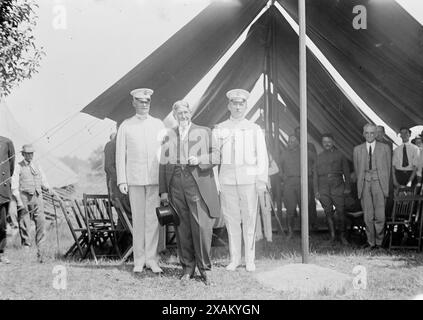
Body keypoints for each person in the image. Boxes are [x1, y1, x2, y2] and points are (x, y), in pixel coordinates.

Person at [159, 100, 220, 285]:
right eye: (179, 114)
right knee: (182, 227)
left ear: (190, 112)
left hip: (196, 183)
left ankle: (205, 269)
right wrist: (163, 191)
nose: (183, 116)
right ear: (174, 115)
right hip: (175, 183)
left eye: (186, 112)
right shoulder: (168, 135)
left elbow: (217, 155)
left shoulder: (205, 132)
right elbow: (162, 164)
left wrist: (200, 159)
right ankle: (187, 268)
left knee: (201, 226)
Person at [213, 89, 268, 272]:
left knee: (250, 220)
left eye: (241, 104)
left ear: (245, 106)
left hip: (248, 181)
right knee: (231, 220)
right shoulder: (220, 128)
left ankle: (250, 259)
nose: (237, 107)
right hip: (227, 181)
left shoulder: (254, 128)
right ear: (229, 105)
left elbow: (262, 156)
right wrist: (216, 182)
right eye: (234, 103)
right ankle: (235, 258)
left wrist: (261, 180)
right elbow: (215, 158)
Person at [116, 88, 165, 274]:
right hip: (134, 179)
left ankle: (152, 259)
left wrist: (163, 179)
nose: (144, 104)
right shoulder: (126, 126)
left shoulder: (158, 124)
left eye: (147, 101)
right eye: (140, 101)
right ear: (134, 103)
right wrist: (122, 179)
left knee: (153, 220)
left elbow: (163, 153)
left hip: (153, 179)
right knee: (138, 220)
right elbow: (121, 154)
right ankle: (139, 260)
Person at [353, 123, 391, 249]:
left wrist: (384, 185)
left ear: (376, 134)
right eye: (367, 133)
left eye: (372, 133)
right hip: (365, 183)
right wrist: (363, 182)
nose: (369, 135)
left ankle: (379, 243)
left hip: (379, 183)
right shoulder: (357, 149)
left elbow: (388, 169)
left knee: (380, 215)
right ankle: (371, 243)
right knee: (368, 215)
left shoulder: (385, 148)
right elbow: (357, 169)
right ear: (363, 134)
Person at [11, 144, 51, 262]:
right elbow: (14, 184)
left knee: (41, 222)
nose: (30, 155)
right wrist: (18, 201)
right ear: (23, 154)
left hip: (37, 196)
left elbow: (43, 179)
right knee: (24, 223)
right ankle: (26, 250)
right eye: (27, 153)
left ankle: (41, 251)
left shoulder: (37, 165)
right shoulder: (18, 167)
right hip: (23, 197)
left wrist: (47, 187)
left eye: (31, 153)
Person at [314, 133, 351, 245]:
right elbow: (315, 174)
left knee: (341, 212)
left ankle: (342, 236)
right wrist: (316, 190)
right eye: (324, 142)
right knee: (328, 213)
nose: (327, 144)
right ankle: (332, 236)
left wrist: (347, 187)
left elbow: (347, 173)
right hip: (323, 187)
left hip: (338, 185)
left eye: (329, 142)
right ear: (322, 143)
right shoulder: (319, 157)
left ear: (333, 142)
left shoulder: (340, 155)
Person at [104, 129, 132, 250]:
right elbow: (108, 167)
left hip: (129, 188)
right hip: (118, 188)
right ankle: (128, 247)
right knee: (127, 217)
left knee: (123, 219)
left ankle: (121, 247)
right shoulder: (111, 145)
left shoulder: (127, 145)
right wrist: (122, 180)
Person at [294, 126, 318, 230]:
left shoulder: (310, 146)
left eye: (301, 133)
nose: (299, 135)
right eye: (297, 133)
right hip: (298, 177)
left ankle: (313, 223)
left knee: (311, 201)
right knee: (300, 201)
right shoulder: (293, 147)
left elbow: (315, 159)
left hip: (309, 177)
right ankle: (303, 224)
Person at [256, 151, 279, 242]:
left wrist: (263, 172)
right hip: (252, 187)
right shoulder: (248, 155)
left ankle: (269, 236)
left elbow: (276, 169)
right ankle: (258, 235)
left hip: (264, 187)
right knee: (255, 213)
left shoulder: (267, 154)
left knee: (266, 212)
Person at [0, 136, 15, 264]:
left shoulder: (6, 142)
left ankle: (1, 253)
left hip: (2, 192)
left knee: (2, 225)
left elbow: (11, 166)